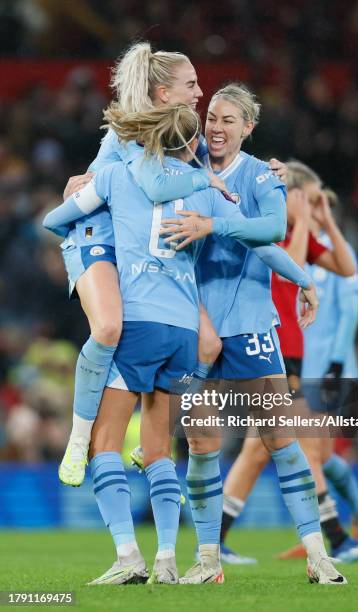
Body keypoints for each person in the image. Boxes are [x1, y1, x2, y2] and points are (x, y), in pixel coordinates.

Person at [44, 102, 316, 585]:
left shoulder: (119, 174)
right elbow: (265, 241)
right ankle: (168, 559)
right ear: (191, 143)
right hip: (184, 333)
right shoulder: (205, 189)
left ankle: (128, 554)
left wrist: (83, 194)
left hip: (139, 325)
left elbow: (54, 220)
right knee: (159, 449)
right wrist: (303, 279)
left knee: (105, 442)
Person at [57, 41, 287, 488]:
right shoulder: (125, 132)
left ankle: (150, 448)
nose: (201, 92)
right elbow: (119, 188)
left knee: (207, 344)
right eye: (192, 84)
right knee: (108, 328)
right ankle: (80, 436)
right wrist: (72, 196)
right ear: (163, 93)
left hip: (152, 258)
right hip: (99, 241)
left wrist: (268, 172)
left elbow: (220, 171)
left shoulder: (190, 138)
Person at [161, 84, 347, 586]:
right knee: (201, 443)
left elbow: (267, 234)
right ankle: (207, 561)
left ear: (248, 128)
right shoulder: (184, 167)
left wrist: (302, 278)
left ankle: (317, 555)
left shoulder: (262, 176)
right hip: (192, 325)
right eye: (211, 118)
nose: (216, 127)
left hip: (248, 326)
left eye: (228, 120)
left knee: (280, 440)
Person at [277, 188, 358, 562]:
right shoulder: (296, 245)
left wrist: (338, 365)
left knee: (310, 453)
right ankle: (356, 513)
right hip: (303, 365)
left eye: (311, 205)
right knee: (319, 454)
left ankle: (330, 536)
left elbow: (350, 311)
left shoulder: (332, 252)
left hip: (330, 370)